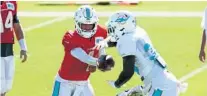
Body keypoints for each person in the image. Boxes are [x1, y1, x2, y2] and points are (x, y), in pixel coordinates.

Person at [96, 11, 188, 96]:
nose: (111, 31)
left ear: (122, 27)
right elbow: (117, 40)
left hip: (159, 87)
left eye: (113, 28)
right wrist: (104, 43)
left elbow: (128, 72)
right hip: (162, 80)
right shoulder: (137, 31)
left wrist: (117, 84)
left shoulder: (126, 40)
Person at [52, 5, 114, 96]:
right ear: (77, 23)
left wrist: (102, 61)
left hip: (84, 82)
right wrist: (98, 62)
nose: (87, 27)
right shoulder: (70, 36)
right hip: (64, 82)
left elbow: (101, 50)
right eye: (84, 25)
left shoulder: (102, 32)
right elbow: (82, 56)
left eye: (90, 25)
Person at [0, 1, 28, 96]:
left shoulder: (11, 4)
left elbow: (16, 26)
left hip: (8, 51)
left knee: (5, 87)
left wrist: (23, 47)